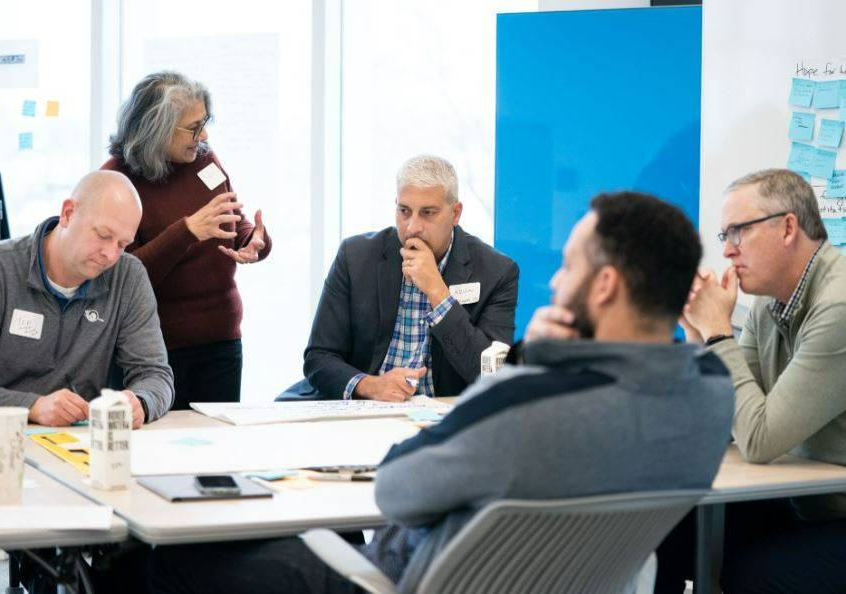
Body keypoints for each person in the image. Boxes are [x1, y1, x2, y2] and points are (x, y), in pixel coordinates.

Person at [147, 191, 734, 594]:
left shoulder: (531, 403)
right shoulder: (709, 395)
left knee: (154, 567)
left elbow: (399, 489)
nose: (556, 280)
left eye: (569, 267)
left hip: (397, 583)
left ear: (604, 286)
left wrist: (536, 366)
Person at [656, 168, 846, 594]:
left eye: (737, 232)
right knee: (663, 527)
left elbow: (758, 437)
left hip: (836, 513)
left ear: (788, 228)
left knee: (754, 574)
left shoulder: (839, 306)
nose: (726, 251)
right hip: (800, 502)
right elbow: (721, 422)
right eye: (725, 235)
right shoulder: (768, 304)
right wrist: (696, 336)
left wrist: (719, 332)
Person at [102, 71, 272, 409]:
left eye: (204, 122)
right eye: (193, 128)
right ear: (157, 127)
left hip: (221, 338)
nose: (204, 135)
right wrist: (186, 232)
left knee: (216, 449)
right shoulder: (115, 180)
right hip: (152, 353)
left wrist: (253, 241)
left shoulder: (204, 159)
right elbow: (120, 276)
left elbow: (232, 224)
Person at [0, 169, 173, 426]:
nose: (111, 255)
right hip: (1, 439)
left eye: (122, 244)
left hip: (82, 445)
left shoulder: (128, 277)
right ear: (68, 214)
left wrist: (141, 402)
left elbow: (155, 375)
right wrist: (33, 407)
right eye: (103, 236)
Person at [298, 154, 519, 401]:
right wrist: (372, 386)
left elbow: (490, 376)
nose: (412, 227)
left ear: (455, 213)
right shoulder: (356, 257)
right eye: (404, 211)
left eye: (428, 213)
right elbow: (319, 357)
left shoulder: (497, 272)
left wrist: (438, 292)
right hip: (366, 406)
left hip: (442, 415)